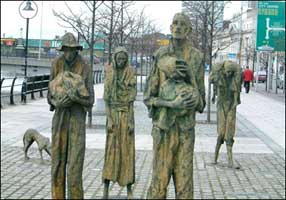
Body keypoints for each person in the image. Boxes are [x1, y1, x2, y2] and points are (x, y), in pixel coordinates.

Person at [143, 12, 205, 199]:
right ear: (170, 28)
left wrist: (191, 78)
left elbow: (201, 104)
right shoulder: (160, 55)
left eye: (182, 24)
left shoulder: (196, 57)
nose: (178, 27)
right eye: (175, 23)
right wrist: (171, 103)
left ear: (189, 30)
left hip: (186, 129)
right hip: (163, 128)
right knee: (159, 181)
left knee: (184, 182)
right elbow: (148, 98)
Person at [47, 32, 94, 199]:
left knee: (74, 168)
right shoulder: (56, 64)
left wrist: (75, 98)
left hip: (77, 121)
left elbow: (90, 101)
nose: (68, 53)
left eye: (71, 50)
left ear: (76, 50)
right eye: (65, 49)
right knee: (57, 165)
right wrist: (56, 103)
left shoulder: (85, 67)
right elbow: (49, 94)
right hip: (59, 120)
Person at [102, 46, 137, 199]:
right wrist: (109, 120)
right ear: (115, 59)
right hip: (113, 116)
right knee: (111, 152)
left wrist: (130, 121)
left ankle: (129, 188)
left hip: (126, 115)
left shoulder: (130, 73)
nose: (121, 61)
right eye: (119, 59)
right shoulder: (110, 74)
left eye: (124, 59)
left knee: (127, 152)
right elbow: (107, 100)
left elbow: (131, 102)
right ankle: (106, 188)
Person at [209, 60, 241, 168]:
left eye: (230, 73)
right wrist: (213, 95)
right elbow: (212, 82)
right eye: (227, 72)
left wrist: (235, 104)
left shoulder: (234, 80)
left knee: (229, 134)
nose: (228, 74)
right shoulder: (220, 77)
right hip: (221, 106)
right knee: (221, 133)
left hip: (231, 107)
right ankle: (215, 158)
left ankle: (230, 160)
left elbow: (236, 95)